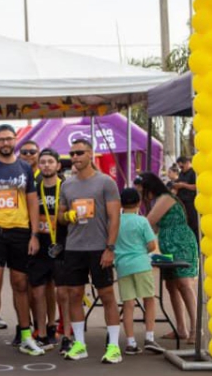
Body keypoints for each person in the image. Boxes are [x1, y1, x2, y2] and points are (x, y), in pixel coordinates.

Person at [0, 124, 44, 357]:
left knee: (21, 284)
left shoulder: (24, 167)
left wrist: (34, 234)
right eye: (0, 139)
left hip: (20, 231)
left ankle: (26, 335)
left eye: (9, 139)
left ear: (15, 140)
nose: (5, 143)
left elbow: (33, 202)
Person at [57, 138, 122, 364]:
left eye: (80, 153)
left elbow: (115, 217)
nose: (75, 157)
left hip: (99, 248)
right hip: (74, 248)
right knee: (74, 295)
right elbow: (60, 216)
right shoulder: (67, 184)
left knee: (106, 295)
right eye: (72, 153)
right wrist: (67, 216)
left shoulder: (106, 182)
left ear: (91, 154)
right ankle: (79, 344)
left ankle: (114, 346)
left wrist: (110, 248)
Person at [136, 172, 199, 345]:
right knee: (171, 285)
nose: (142, 196)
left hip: (181, 243)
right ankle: (181, 328)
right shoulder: (158, 202)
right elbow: (154, 229)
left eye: (142, 192)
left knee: (184, 284)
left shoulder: (165, 198)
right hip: (168, 244)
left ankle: (196, 328)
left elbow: (149, 222)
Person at [114, 188, 165, 355]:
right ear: (138, 203)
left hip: (122, 265)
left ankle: (130, 342)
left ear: (121, 203)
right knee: (149, 299)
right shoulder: (142, 221)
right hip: (141, 264)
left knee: (128, 304)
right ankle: (149, 337)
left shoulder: (115, 221)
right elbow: (151, 245)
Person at [28, 148, 65, 353]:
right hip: (39, 245)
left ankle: (59, 328)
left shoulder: (66, 187)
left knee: (62, 291)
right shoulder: (34, 188)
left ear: (58, 165)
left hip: (62, 246)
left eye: (51, 161)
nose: (47, 165)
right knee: (39, 290)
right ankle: (41, 332)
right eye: (43, 162)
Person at [172, 156, 199, 241]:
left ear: (187, 163)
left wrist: (183, 185)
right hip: (182, 202)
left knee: (194, 224)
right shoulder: (181, 174)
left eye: (182, 167)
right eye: (180, 167)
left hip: (191, 202)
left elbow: (196, 187)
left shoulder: (193, 173)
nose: (181, 169)